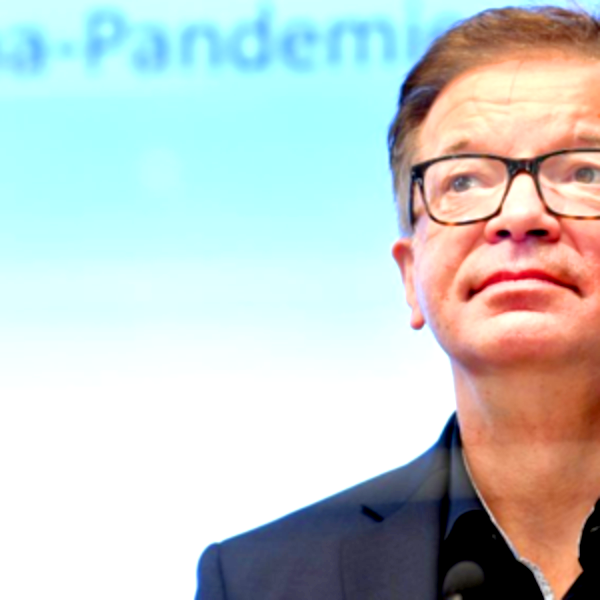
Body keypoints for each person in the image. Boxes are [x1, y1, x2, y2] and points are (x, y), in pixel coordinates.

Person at [196, 5, 600, 599]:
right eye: (464, 180)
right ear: (411, 277)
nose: (519, 215)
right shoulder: (260, 581)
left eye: (585, 173)